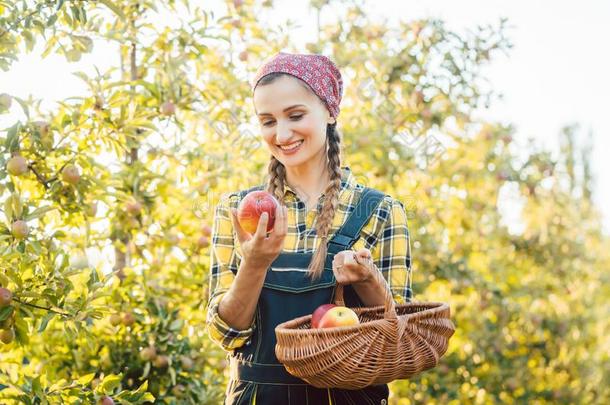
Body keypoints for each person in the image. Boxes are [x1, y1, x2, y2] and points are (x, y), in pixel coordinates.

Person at [206, 52, 413, 405]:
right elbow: (227, 333)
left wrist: (367, 279)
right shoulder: (237, 211)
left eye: (296, 115)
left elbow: (400, 339)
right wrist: (254, 264)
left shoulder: (380, 210)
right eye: (267, 121)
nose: (282, 133)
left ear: (330, 112)